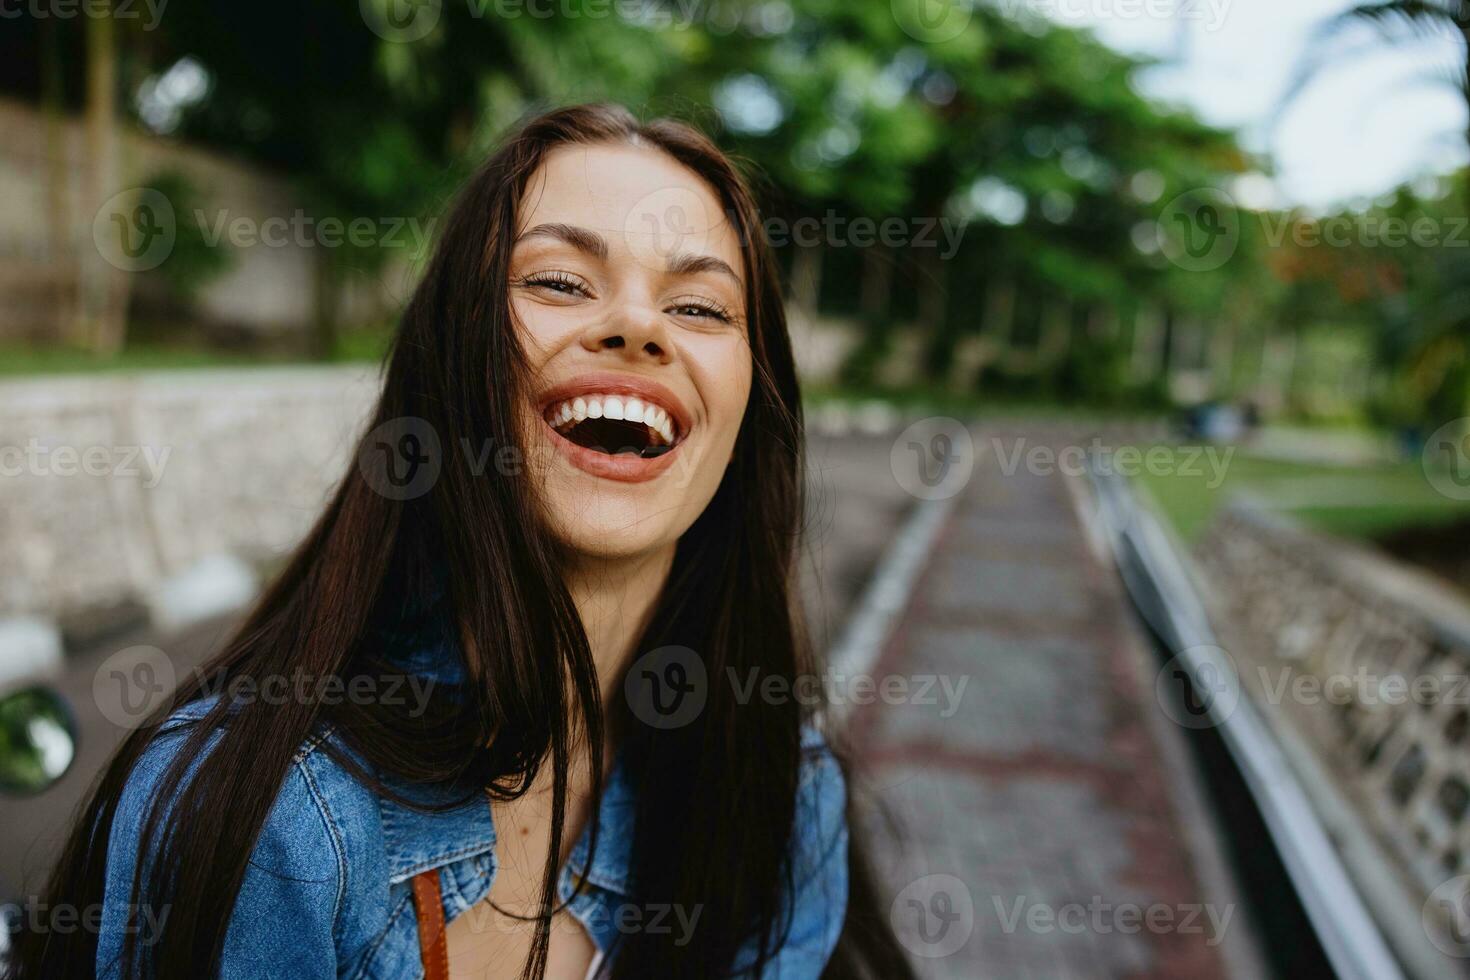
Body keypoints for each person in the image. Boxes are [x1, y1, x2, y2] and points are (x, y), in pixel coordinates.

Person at [6, 103, 914, 980]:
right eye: (559, 281)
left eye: (702, 308)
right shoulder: (274, 819)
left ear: (752, 409)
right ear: (455, 364)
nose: (637, 326)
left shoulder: (780, 805)